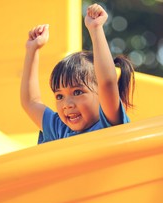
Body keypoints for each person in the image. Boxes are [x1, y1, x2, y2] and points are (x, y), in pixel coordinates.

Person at [20, 3, 135, 144]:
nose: (67, 104)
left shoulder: (108, 125)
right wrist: (32, 50)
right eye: (59, 96)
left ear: (101, 95)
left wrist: (95, 29)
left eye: (77, 92)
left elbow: (107, 82)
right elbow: (31, 102)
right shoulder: (60, 130)